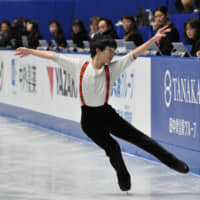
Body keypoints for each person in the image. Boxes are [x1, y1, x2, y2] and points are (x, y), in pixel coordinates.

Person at [15, 25, 189, 192]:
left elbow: (134, 54)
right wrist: (30, 51)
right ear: (98, 50)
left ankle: (174, 162)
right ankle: (122, 174)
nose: (113, 54)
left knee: (140, 139)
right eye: (110, 51)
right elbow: (53, 55)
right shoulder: (79, 66)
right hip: (89, 121)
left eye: (114, 51)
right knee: (113, 148)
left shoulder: (112, 69)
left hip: (107, 114)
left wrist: (154, 38)